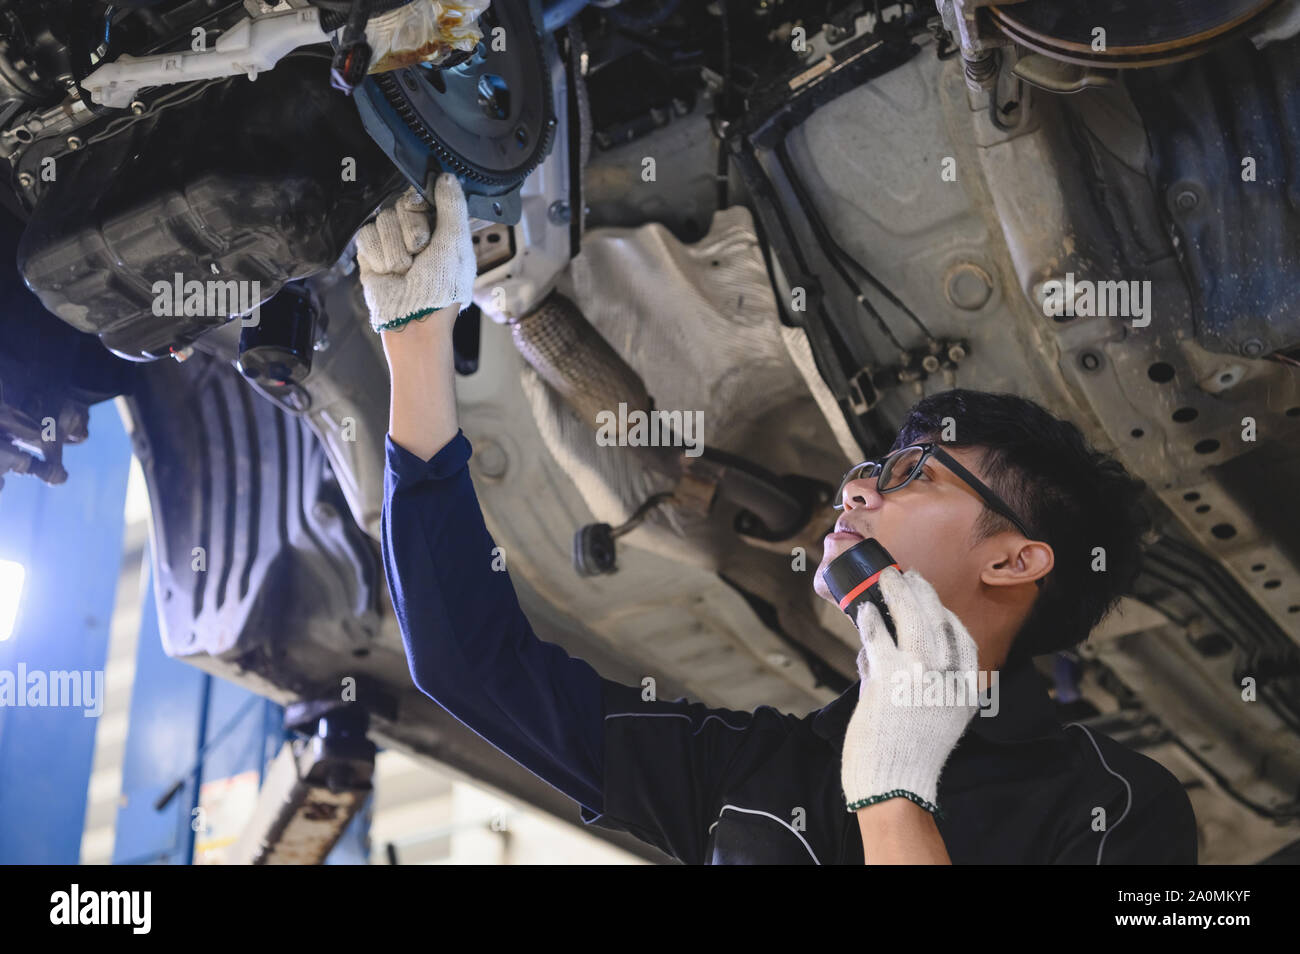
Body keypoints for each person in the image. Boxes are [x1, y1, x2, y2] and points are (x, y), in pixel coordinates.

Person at [360, 174, 1198, 864]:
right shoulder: (760, 768)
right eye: (871, 469)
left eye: (913, 474)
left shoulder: (1122, 810)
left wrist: (895, 792)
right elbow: (469, 665)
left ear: (1015, 561)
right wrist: (416, 341)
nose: (857, 491)